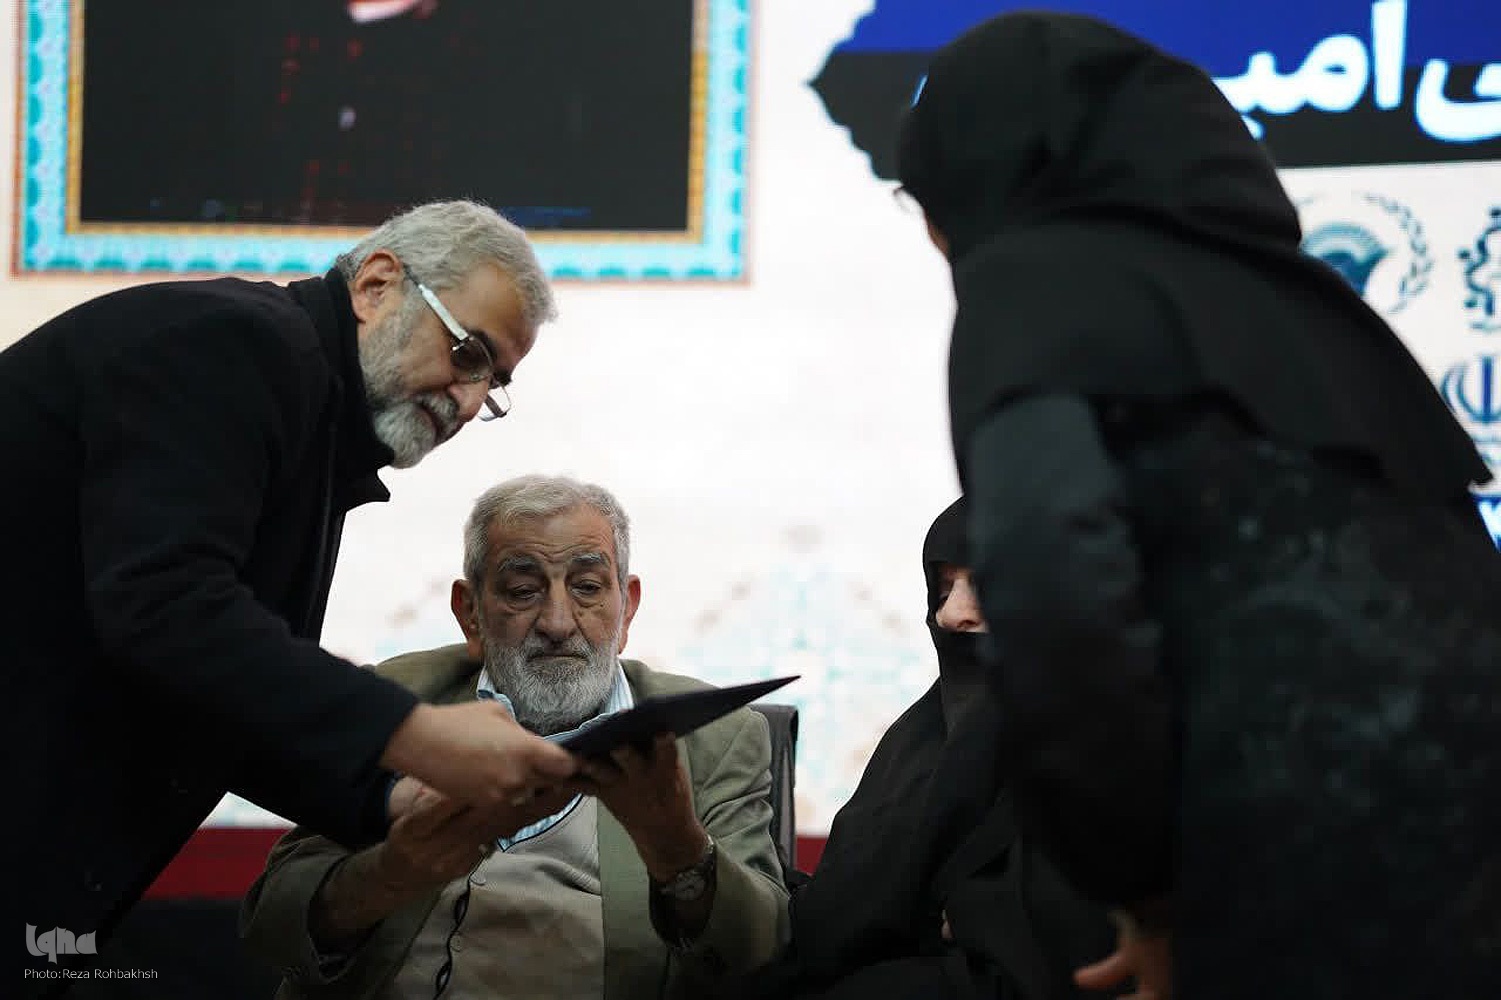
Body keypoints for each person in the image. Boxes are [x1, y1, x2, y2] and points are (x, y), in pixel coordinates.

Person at [895, 12, 1501, 998]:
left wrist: (1144, 892)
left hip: (1283, 868)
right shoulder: (1322, 311)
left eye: (930, 197)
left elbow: (1057, 596)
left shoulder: (1035, 288)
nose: (932, 233)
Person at [6, 200, 583, 986]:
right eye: (468, 352)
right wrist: (415, 733)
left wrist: (394, 798)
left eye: (494, 383)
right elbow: (165, 610)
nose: (469, 399)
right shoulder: (232, 344)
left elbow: (219, 701)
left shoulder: (314, 423)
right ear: (375, 286)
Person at [241, 475, 789, 999]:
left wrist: (678, 847)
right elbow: (272, 925)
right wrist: (391, 873)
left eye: (588, 588)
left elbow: (760, 956)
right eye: (523, 591)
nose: (557, 622)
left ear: (627, 608)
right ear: (471, 614)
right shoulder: (401, 703)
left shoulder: (715, 738)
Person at [724, 498, 1112, 1000]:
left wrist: (972, 917)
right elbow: (837, 917)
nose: (951, 614)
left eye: (986, 587)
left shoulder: (1104, 759)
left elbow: (1042, 958)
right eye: (944, 589)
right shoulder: (922, 738)